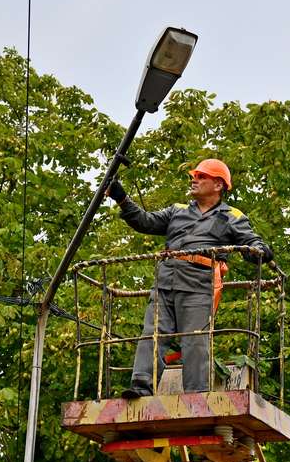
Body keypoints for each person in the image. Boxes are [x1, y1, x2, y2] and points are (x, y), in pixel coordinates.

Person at [106, 158, 273, 398]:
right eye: (194, 176)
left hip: (198, 284)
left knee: (195, 340)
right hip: (165, 281)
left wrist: (258, 252)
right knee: (153, 333)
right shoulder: (177, 210)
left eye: (201, 176)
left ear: (218, 185)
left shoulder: (232, 216)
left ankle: (197, 394)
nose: (194, 180)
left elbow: (251, 241)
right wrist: (122, 199)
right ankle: (142, 386)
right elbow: (145, 221)